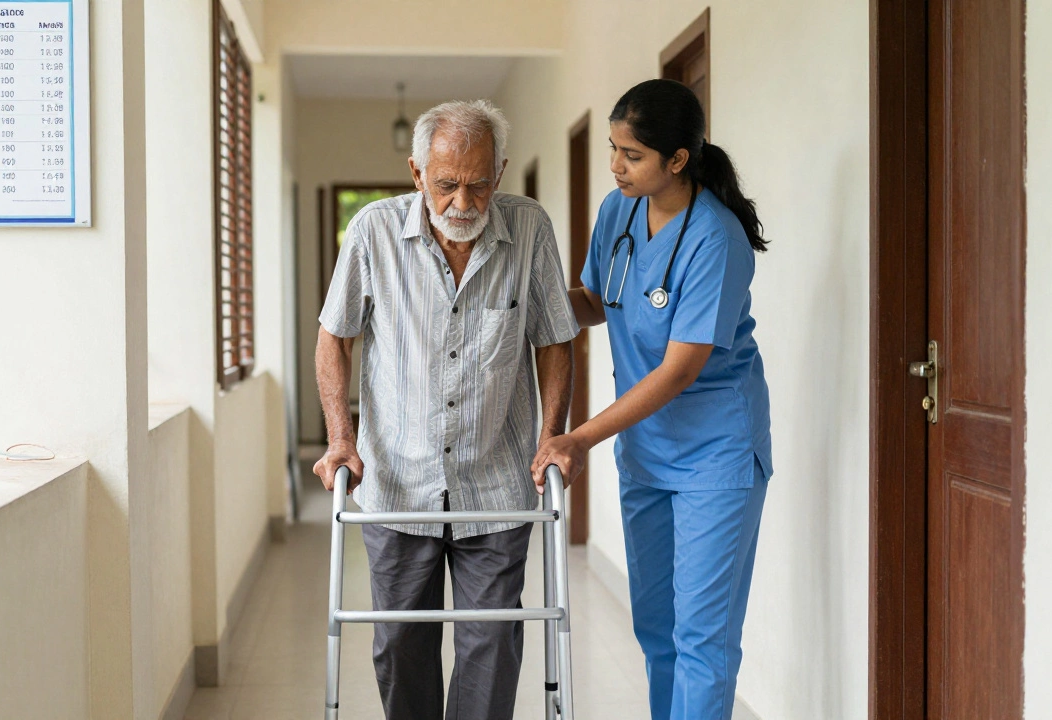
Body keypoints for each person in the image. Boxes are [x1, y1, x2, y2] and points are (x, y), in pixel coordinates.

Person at [314, 99, 578, 720]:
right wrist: (339, 437)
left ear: (501, 172)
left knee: (492, 646)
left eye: (479, 184)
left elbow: (555, 338)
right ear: (416, 174)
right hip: (399, 482)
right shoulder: (374, 232)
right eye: (446, 184)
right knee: (401, 645)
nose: (463, 202)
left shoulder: (530, 229)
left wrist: (550, 436)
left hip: (496, 481)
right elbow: (334, 336)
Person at [532, 79, 773, 720]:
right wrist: (518, 305)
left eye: (631, 155)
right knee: (657, 629)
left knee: (702, 638)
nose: (615, 166)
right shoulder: (619, 211)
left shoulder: (715, 240)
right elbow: (593, 301)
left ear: (677, 160)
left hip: (714, 455)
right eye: (612, 149)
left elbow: (678, 370)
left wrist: (578, 436)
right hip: (647, 450)